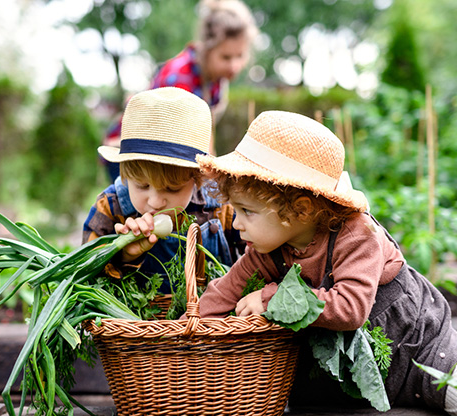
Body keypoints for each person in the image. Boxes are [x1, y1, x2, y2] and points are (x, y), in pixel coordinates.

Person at [190, 110, 457, 414]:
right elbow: (223, 293)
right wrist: (190, 336)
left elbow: (351, 309)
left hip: (415, 346)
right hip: (342, 378)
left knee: (449, 388)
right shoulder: (264, 250)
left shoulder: (357, 234)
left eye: (247, 212)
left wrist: (273, 298)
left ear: (300, 211)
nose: (236, 223)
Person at [83, 87, 243, 293]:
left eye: (172, 189)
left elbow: (259, 258)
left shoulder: (222, 205)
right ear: (124, 174)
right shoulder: (110, 208)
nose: (156, 202)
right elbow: (86, 276)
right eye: (142, 185)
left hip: (213, 323)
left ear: (198, 179)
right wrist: (124, 255)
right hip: (138, 326)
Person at [102, 0, 258, 182]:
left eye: (240, 56)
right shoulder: (180, 77)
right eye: (226, 57)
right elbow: (178, 141)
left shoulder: (214, 79)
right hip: (129, 151)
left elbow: (206, 130)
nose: (234, 66)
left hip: (165, 152)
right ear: (207, 49)